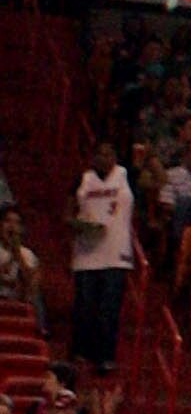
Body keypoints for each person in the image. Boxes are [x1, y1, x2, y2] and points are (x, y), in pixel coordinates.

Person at [65, 144, 131, 371]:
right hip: (87, 252)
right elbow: (67, 215)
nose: (103, 157)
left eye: (108, 153)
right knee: (85, 306)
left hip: (116, 253)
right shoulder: (83, 180)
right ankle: (80, 352)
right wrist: (81, 225)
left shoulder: (125, 175)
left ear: (115, 156)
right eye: (99, 153)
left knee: (109, 309)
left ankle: (105, 357)